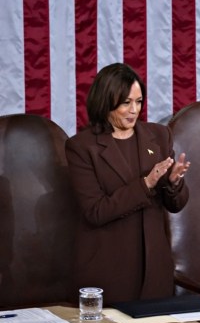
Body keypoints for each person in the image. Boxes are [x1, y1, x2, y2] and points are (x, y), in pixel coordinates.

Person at [65, 63, 191, 304]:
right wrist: (146, 183)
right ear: (105, 102)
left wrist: (174, 183)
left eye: (139, 101)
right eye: (125, 103)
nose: (134, 110)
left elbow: (175, 205)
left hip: (155, 272)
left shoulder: (159, 136)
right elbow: (95, 211)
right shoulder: (82, 147)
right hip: (110, 273)